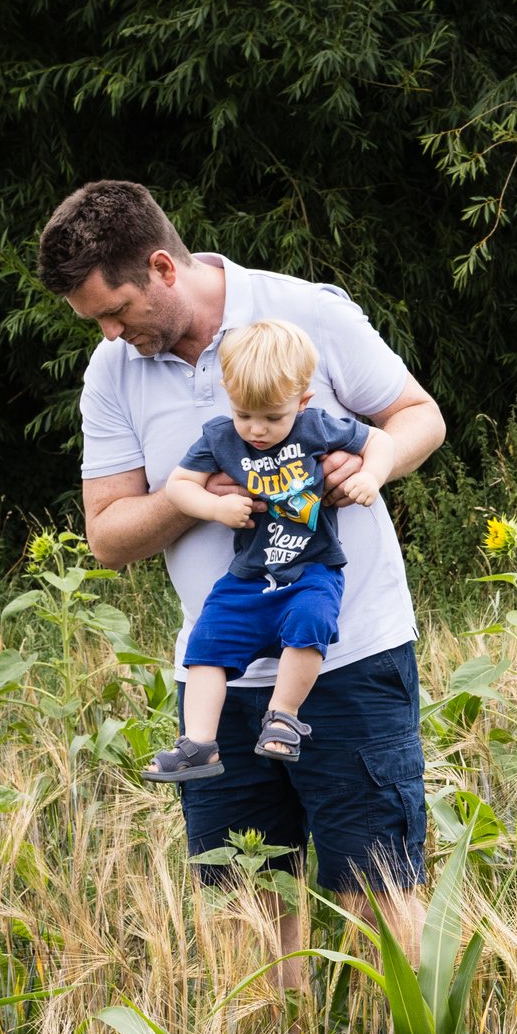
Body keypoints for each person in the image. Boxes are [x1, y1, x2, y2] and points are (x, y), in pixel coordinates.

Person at [37, 181, 446, 969]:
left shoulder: (304, 313)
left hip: (348, 655)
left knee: (379, 895)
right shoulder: (112, 372)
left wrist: (371, 463)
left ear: (161, 266)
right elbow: (107, 534)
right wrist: (199, 498)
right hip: (220, 676)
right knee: (244, 911)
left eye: (114, 312)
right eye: (98, 325)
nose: (111, 334)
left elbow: (417, 414)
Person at [144, 320, 391, 781]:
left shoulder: (317, 427)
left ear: (302, 402)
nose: (256, 429)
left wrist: (370, 476)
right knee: (207, 640)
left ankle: (283, 716)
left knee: (310, 621)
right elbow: (180, 486)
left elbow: (381, 440)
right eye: (244, 414)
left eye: (273, 418)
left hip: (312, 567)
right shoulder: (220, 436)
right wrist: (216, 508)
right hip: (250, 574)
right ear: (228, 394)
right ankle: (199, 744)